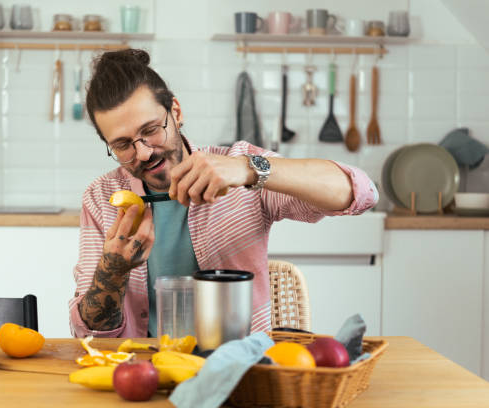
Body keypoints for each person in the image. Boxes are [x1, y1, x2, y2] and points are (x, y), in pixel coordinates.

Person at [69, 49, 378, 338]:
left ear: (175, 112)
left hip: (240, 369)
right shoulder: (101, 198)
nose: (144, 152)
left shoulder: (239, 167)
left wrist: (250, 169)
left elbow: (359, 192)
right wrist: (113, 271)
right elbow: (89, 331)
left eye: (150, 129)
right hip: (142, 374)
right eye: (123, 145)